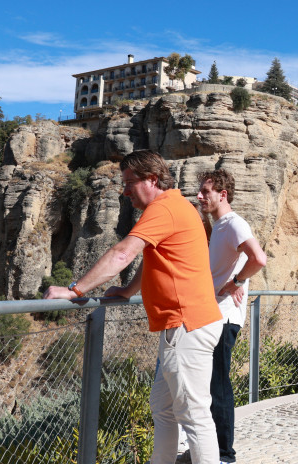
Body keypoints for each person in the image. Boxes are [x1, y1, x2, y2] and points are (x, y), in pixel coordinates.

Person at [43, 150, 224, 464]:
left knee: (194, 416)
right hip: (188, 323)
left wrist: (75, 290)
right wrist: (128, 290)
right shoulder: (177, 205)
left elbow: (122, 254)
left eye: (129, 183)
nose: (124, 191)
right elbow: (155, 257)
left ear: (151, 179)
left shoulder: (164, 208)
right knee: (164, 409)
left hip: (186, 325)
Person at [195, 169, 267, 463]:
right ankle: (208, 449)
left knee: (218, 385)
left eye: (205, 192)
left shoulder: (234, 223)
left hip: (224, 317)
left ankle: (224, 454)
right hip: (213, 314)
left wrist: (236, 283)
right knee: (207, 385)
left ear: (222, 195)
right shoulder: (219, 226)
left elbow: (258, 258)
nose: (200, 196)